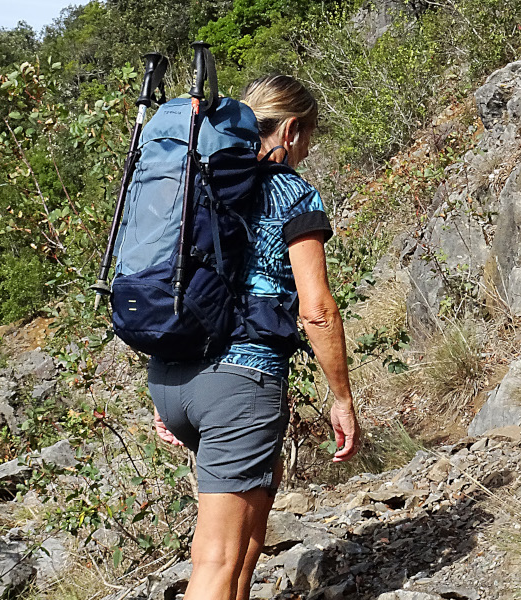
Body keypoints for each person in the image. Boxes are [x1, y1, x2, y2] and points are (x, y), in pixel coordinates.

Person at [147, 74, 361, 600]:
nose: (307, 149)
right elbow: (317, 310)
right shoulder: (292, 193)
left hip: (172, 376)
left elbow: (166, 278)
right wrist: (342, 397)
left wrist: (165, 390)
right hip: (240, 387)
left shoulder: (193, 182)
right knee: (216, 561)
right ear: (289, 131)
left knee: (244, 543)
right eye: (308, 137)